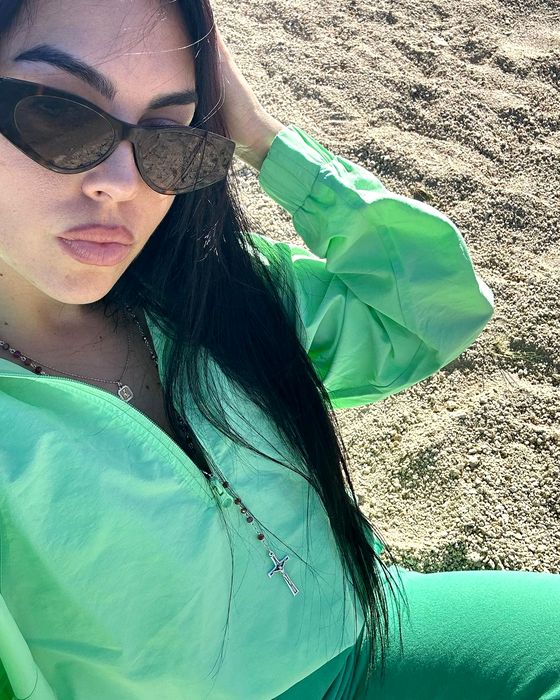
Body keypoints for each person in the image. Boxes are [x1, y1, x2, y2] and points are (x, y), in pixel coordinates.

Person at [0, 1, 558, 699]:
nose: (125, 181)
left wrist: (262, 139)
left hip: (378, 631)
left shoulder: (220, 295)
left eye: (170, 136)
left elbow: (433, 313)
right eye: (58, 115)